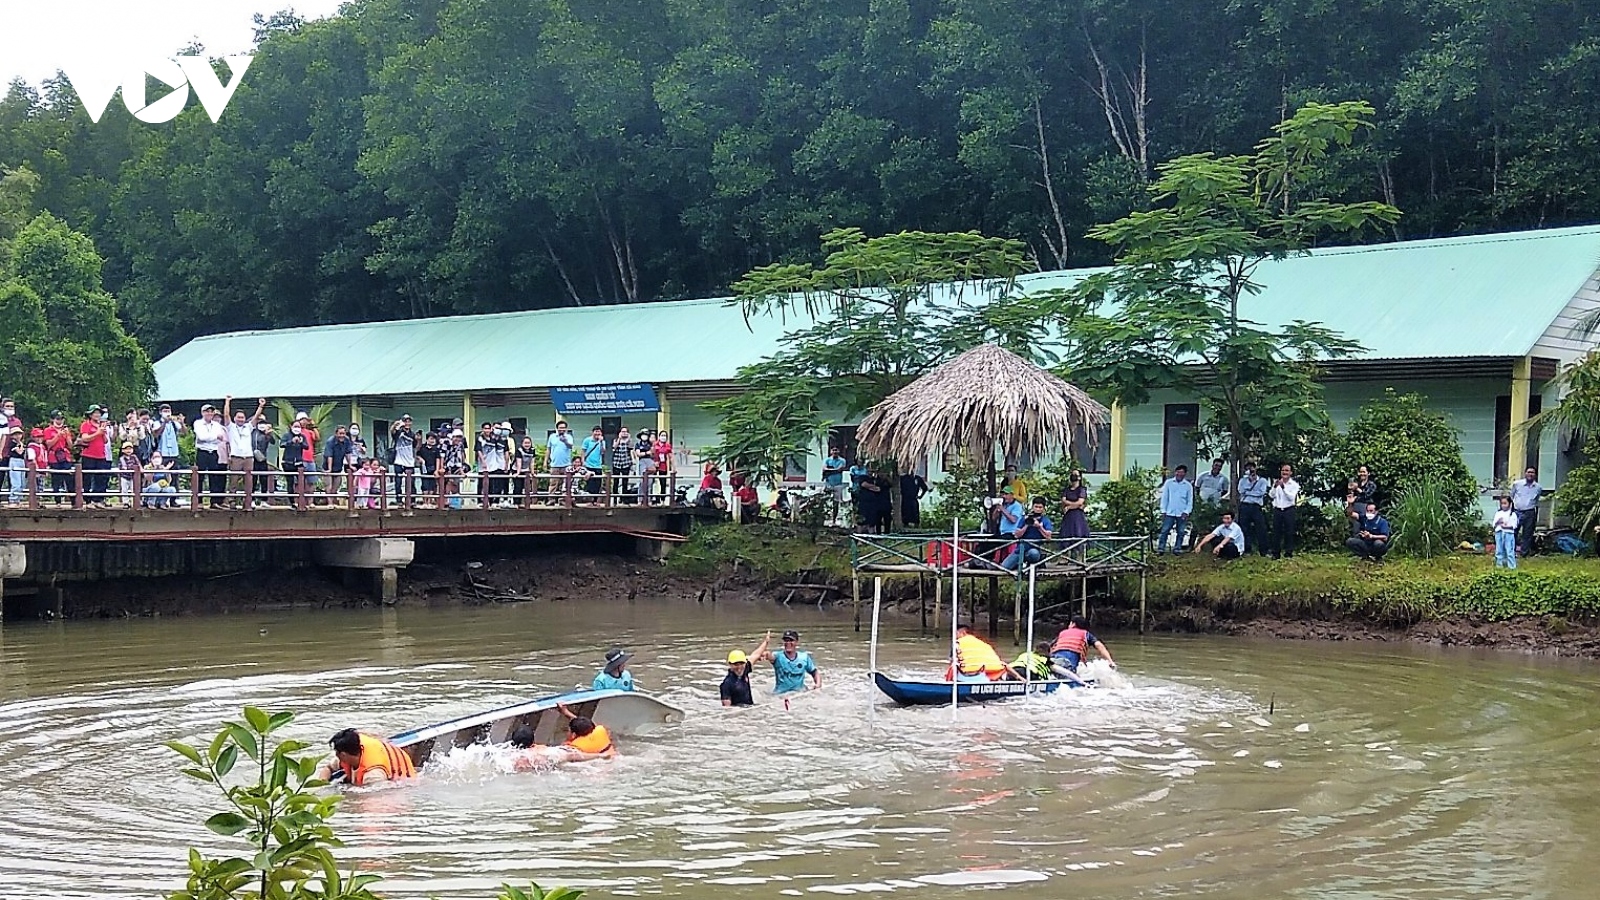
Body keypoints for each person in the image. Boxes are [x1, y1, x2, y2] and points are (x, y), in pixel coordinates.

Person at [316, 728, 416, 786]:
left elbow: (371, 797)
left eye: (336, 752)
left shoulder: (373, 775)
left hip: (404, 778)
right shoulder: (351, 748)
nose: (335, 755)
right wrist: (321, 785)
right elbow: (328, 768)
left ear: (343, 755)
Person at [507, 725, 613, 771]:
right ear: (533, 741)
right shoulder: (546, 753)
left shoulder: (509, 758)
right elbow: (573, 755)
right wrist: (600, 755)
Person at [756, 629, 820, 694]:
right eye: (786, 641)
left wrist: (817, 685)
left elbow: (814, 672)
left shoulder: (804, 657)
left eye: (791, 640)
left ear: (796, 642)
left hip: (800, 694)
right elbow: (770, 656)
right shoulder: (778, 656)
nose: (788, 643)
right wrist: (765, 654)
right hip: (780, 695)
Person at [949, 622, 1015, 682]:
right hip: (994, 672)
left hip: (971, 673)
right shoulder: (984, 644)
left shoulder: (958, 643)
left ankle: (950, 684)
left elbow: (952, 660)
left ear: (963, 632)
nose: (954, 637)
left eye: (956, 634)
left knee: (954, 665)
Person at [1001, 497, 1053, 571]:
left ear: (1043, 508)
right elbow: (1016, 535)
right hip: (1021, 549)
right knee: (1004, 567)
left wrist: (1039, 527)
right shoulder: (1024, 518)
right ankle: (1019, 565)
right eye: (1036, 507)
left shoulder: (1045, 520)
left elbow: (1048, 537)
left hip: (1034, 549)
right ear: (1032, 507)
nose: (1038, 509)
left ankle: (1027, 566)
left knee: (1033, 554)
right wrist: (1027, 524)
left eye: (1040, 507)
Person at [1050, 616, 1116, 673]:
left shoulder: (1062, 633)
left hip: (1053, 659)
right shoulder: (1086, 634)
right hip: (1068, 663)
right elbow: (1099, 645)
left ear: (1073, 624)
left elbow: (1050, 647)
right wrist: (1110, 661)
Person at [77, 405, 114, 507]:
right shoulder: (86, 424)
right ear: (90, 414)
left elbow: (106, 441)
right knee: (87, 478)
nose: (97, 415)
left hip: (101, 455)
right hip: (89, 454)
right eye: (95, 413)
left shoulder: (101, 425)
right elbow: (85, 438)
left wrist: (103, 432)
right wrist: (98, 433)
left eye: (99, 413)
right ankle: (88, 501)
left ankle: (98, 499)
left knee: (101, 477)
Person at [1156, 465, 1194, 554]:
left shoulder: (1188, 486)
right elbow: (1165, 497)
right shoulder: (1169, 483)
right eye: (1178, 472)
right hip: (1170, 512)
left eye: (1181, 472)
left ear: (1185, 473)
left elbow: (1190, 500)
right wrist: (1163, 510)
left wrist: (1187, 511)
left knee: (1181, 532)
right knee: (1165, 530)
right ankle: (1161, 548)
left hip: (1182, 512)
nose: (1179, 474)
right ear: (1175, 472)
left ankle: (1177, 548)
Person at [1268, 463, 1301, 560]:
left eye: (1287, 470)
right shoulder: (1277, 482)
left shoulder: (1294, 485)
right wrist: (1274, 487)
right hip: (1278, 509)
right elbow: (1271, 495)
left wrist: (1283, 487)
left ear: (1291, 473)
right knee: (1276, 532)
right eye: (1283, 470)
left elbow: (1291, 498)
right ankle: (1275, 553)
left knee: (1289, 532)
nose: (1284, 472)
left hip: (1288, 509)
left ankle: (1288, 553)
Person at [1235, 462, 1269, 556]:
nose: (1250, 471)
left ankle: (1264, 550)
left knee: (1261, 528)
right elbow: (1241, 490)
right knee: (1244, 528)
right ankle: (1246, 549)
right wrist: (1251, 490)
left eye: (1252, 469)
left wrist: (1248, 491)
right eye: (1248, 469)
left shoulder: (1262, 481)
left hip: (1256, 506)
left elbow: (1261, 493)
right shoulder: (1242, 480)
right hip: (1245, 505)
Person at [1510, 467, 1542, 557]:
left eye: (1532, 472)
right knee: (1513, 532)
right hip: (1517, 511)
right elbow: (1511, 496)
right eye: (1528, 472)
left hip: (1530, 512)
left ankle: (1524, 553)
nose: (1530, 474)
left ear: (1535, 475)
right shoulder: (1517, 484)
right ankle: (1511, 552)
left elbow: (1536, 500)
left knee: (1527, 534)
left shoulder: (1538, 487)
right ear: (1525, 473)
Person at [720, 641, 763, 707]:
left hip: (750, 708)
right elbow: (727, 709)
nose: (739, 667)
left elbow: (755, 655)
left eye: (741, 664)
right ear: (730, 664)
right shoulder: (727, 684)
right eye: (736, 664)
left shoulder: (744, 670)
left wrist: (766, 641)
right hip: (739, 713)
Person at [547, 420, 576, 501]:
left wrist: (565, 441)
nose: (562, 429)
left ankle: (562, 500)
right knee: (553, 483)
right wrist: (546, 461)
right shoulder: (552, 437)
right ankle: (551, 500)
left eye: (563, 428)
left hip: (566, 464)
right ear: (557, 428)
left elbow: (570, 446)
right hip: (555, 464)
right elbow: (548, 449)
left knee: (565, 484)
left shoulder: (569, 437)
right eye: (560, 428)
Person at [1059, 471, 1090, 541]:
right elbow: (1063, 501)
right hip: (1068, 516)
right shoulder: (1066, 490)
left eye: (1075, 475)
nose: (1073, 476)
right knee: (1066, 537)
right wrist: (1076, 505)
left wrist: (1069, 507)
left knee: (1079, 536)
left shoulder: (1082, 489)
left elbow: (1080, 502)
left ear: (1079, 477)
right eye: (1072, 474)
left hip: (1078, 517)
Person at [821, 448, 847, 524]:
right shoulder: (827, 460)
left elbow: (840, 469)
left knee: (836, 503)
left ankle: (834, 520)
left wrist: (829, 470)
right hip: (828, 483)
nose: (835, 452)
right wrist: (833, 470)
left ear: (839, 451)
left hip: (838, 484)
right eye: (833, 450)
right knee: (825, 500)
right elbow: (824, 469)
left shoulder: (842, 460)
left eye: (836, 450)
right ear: (830, 451)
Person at [1492, 496, 1519, 569]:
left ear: (1510, 504)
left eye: (1505, 503)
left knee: (1509, 550)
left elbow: (1514, 525)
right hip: (1499, 533)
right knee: (1499, 549)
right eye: (1502, 503)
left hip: (1508, 534)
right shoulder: (1498, 513)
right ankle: (1499, 565)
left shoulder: (1512, 514)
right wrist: (1498, 522)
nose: (1503, 505)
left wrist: (1506, 527)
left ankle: (1511, 566)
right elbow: (1494, 524)